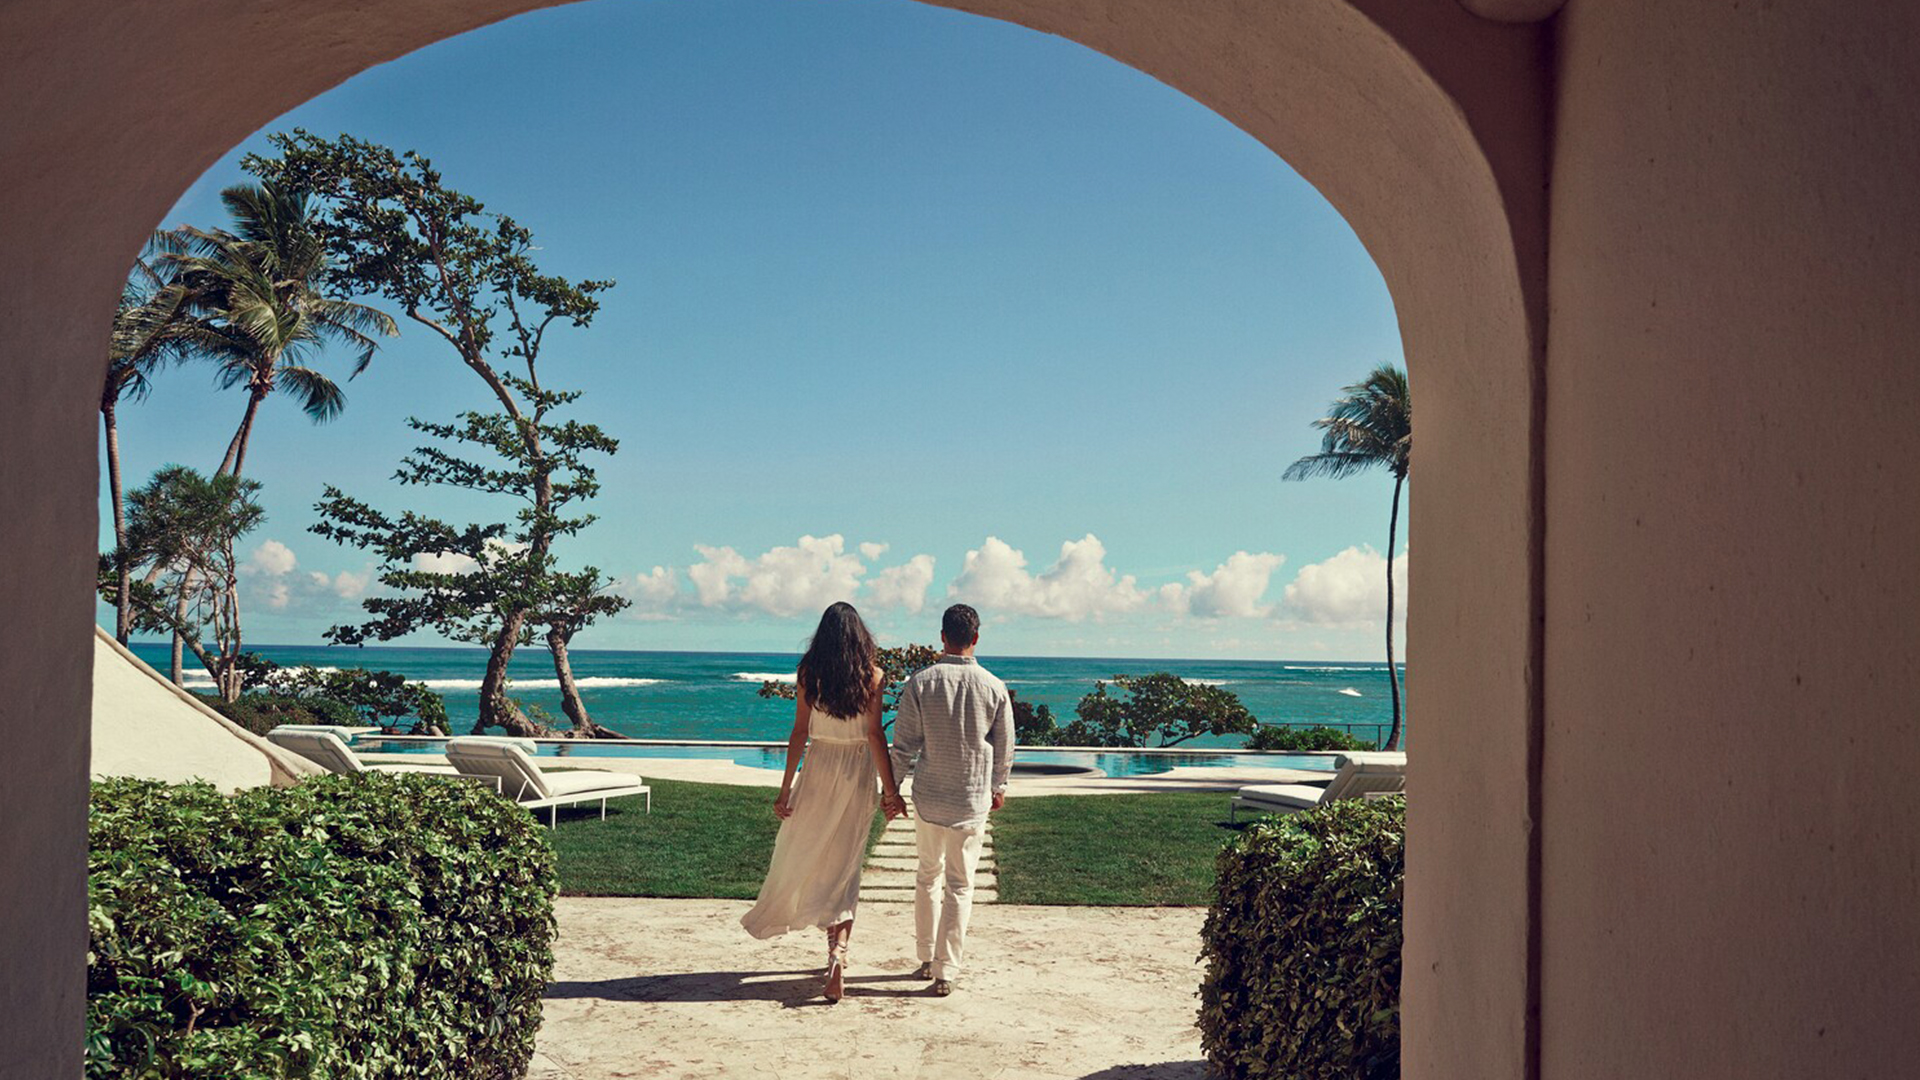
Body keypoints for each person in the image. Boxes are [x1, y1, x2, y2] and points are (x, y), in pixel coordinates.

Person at [740, 602, 905, 1003]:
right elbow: (874, 736)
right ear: (859, 636)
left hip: (817, 768)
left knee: (809, 855)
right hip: (855, 771)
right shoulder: (873, 676)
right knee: (845, 866)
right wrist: (890, 790)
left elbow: (799, 733)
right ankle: (838, 953)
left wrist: (785, 789)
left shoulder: (809, 674)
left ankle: (830, 943)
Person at [888, 603, 1012, 996]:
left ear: (942, 636)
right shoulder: (994, 686)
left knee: (927, 875)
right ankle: (947, 970)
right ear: (975, 638)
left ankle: (926, 956)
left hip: (929, 796)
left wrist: (891, 791)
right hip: (970, 797)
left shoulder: (920, 682)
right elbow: (1005, 744)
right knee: (960, 885)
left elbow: (904, 745)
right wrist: (999, 787)